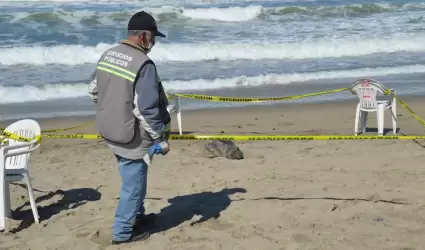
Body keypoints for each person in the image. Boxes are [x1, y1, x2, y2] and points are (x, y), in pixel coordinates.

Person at [87, 11, 171, 245]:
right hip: (132, 136)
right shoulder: (144, 64)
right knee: (133, 186)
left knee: (133, 177)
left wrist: (113, 110)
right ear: (143, 36)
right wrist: (161, 138)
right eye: (153, 37)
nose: (153, 42)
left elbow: (94, 90)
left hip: (110, 130)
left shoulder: (109, 54)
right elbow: (146, 109)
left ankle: (138, 217)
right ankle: (123, 233)